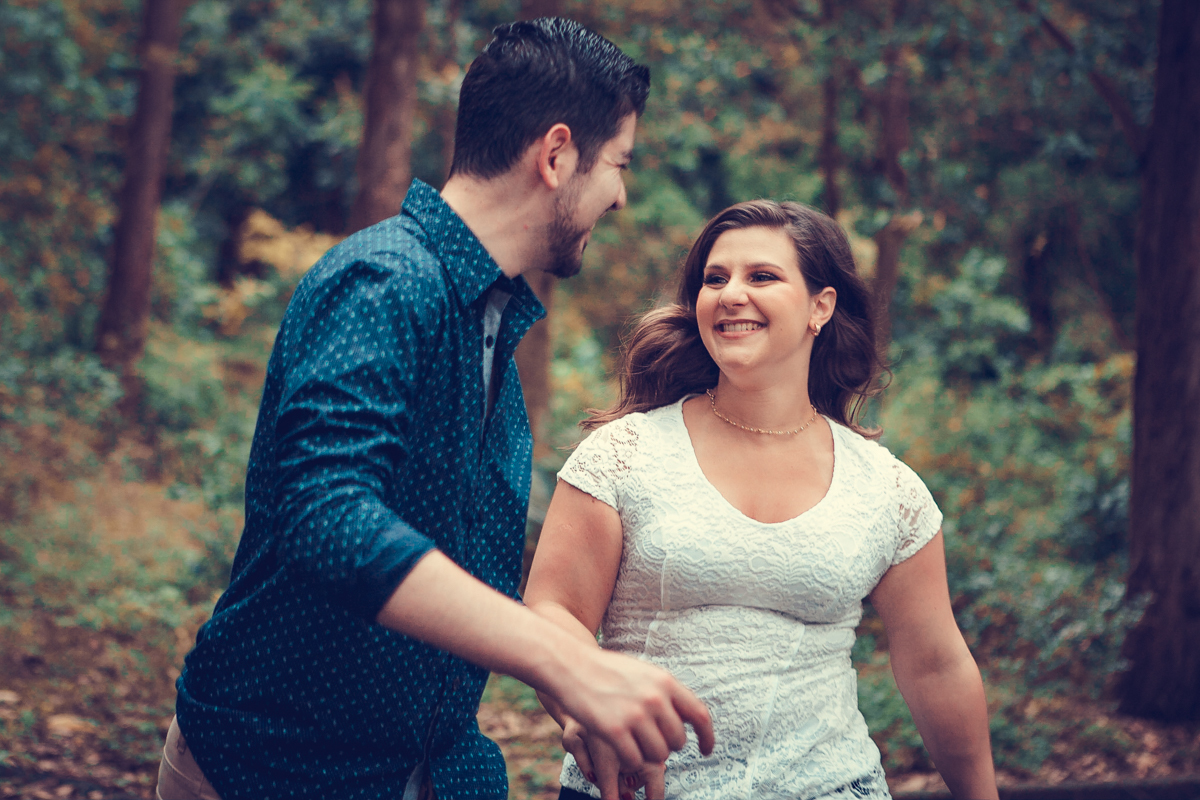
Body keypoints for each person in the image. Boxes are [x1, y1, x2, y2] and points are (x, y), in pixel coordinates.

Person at [156, 18, 713, 800]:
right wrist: (565, 661)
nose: (621, 195)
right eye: (618, 164)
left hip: (433, 766)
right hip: (277, 767)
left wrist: (574, 699)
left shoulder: (486, 316)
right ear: (556, 156)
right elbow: (328, 514)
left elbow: (451, 564)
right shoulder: (386, 281)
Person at [525, 200, 998, 800]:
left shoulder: (887, 490)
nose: (730, 294)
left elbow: (937, 666)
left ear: (820, 307)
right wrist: (585, 702)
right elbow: (551, 611)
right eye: (715, 279)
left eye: (762, 277)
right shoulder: (623, 455)